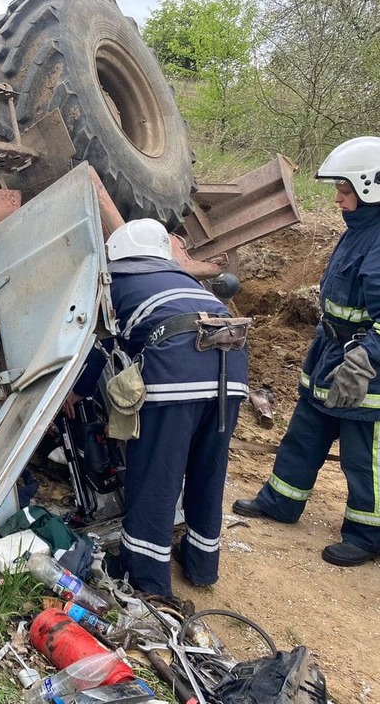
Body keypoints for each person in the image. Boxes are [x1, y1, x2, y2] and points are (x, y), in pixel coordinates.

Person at [74, 218, 249, 596]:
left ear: (117, 254)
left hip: (176, 373)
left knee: (156, 474)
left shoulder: (116, 283)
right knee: (208, 470)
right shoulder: (187, 281)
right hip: (231, 373)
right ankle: (202, 566)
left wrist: (78, 391)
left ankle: (146, 577)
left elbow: (98, 345)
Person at [233, 136, 380, 567]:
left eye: (344, 189)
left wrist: (367, 357)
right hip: (331, 353)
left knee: (363, 454)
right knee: (305, 433)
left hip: (363, 366)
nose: (337, 198)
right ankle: (281, 501)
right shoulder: (359, 232)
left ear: (372, 187)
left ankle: (368, 534)